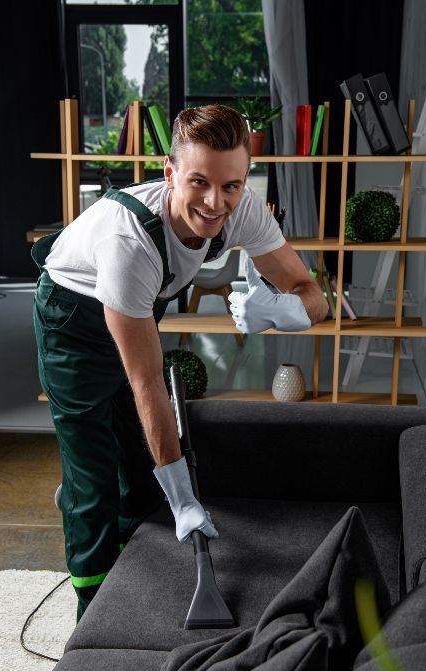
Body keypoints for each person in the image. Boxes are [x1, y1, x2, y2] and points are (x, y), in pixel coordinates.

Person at [31, 104, 328, 620]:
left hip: (134, 306)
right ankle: (93, 613)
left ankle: (130, 566)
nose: (216, 203)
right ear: (170, 173)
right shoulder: (129, 242)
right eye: (199, 182)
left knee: (140, 467)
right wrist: (185, 499)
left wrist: (288, 312)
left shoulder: (243, 209)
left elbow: (313, 294)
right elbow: (148, 384)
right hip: (71, 317)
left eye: (231, 185)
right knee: (92, 476)